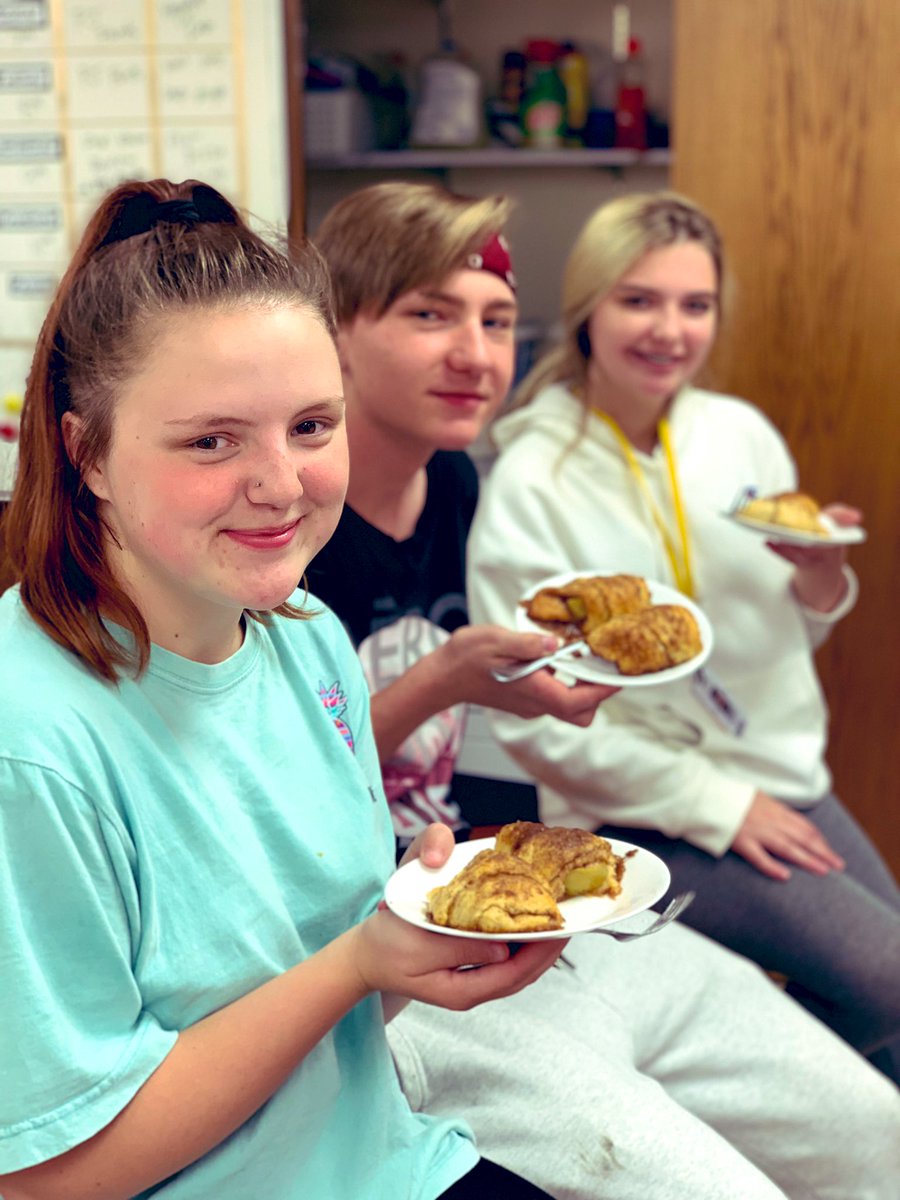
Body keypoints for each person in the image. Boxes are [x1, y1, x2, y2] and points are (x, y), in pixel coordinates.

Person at [307, 178, 900, 1200]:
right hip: (386, 957)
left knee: (874, 1125)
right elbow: (274, 774)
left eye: (495, 321)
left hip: (512, 889)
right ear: (334, 332)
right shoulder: (297, 518)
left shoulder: (454, 481)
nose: (476, 354)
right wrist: (458, 680)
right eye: (429, 315)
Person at [0, 177, 565, 1200]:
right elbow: (44, 1177)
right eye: (213, 440)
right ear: (86, 452)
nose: (281, 483)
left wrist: (412, 945)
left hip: (388, 1163)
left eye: (312, 426)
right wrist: (358, 965)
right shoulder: (28, 743)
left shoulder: (306, 641)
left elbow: (317, 1016)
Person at [466, 189, 900, 1085]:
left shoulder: (738, 435)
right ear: (589, 308)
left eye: (694, 305)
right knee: (888, 981)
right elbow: (533, 722)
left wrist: (821, 583)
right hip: (642, 813)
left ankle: (787, 1124)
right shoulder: (532, 478)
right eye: (640, 300)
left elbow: (779, 623)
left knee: (882, 994)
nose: (670, 330)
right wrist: (718, 806)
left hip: (781, 777)